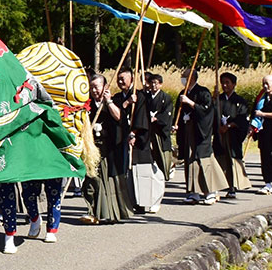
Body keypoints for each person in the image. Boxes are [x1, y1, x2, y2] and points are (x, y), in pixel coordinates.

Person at [86, 74, 136, 223]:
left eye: (97, 87)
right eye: (92, 87)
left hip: (110, 148)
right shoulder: (87, 104)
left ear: (105, 87)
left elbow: (120, 118)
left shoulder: (114, 101)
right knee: (91, 179)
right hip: (93, 147)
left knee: (109, 181)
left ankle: (110, 213)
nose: (94, 90)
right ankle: (92, 211)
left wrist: (108, 102)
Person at [176, 69, 225, 204]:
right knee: (190, 161)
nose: (183, 79)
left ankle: (211, 191)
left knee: (203, 161)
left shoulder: (203, 92)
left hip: (200, 131)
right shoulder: (183, 93)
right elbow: (178, 112)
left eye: (184, 77)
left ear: (192, 78)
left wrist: (191, 104)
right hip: (187, 131)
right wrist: (178, 124)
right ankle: (193, 192)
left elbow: (207, 111)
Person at [129, 73, 171, 212]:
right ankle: (140, 201)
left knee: (157, 169)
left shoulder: (165, 98)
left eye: (153, 82)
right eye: (147, 81)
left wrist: (156, 119)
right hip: (143, 137)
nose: (150, 85)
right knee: (140, 172)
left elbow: (166, 115)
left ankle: (157, 199)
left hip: (157, 135)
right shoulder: (140, 96)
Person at [211, 73, 253, 197]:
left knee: (232, 161)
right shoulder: (218, 100)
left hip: (233, 135)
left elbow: (242, 118)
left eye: (227, 82)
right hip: (220, 134)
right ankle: (218, 187)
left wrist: (229, 125)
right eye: (223, 82)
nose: (225, 85)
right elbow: (211, 115)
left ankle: (232, 187)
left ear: (234, 84)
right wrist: (213, 100)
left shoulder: (240, 101)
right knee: (220, 159)